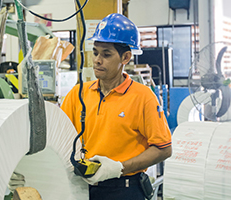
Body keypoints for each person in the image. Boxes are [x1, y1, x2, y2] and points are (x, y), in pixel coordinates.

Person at [60, 13, 172, 200]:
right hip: (82, 188)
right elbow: (58, 139)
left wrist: (119, 168)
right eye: (95, 52)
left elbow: (163, 148)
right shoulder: (78, 94)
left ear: (125, 57)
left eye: (106, 54)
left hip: (125, 190)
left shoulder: (143, 97)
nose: (97, 60)